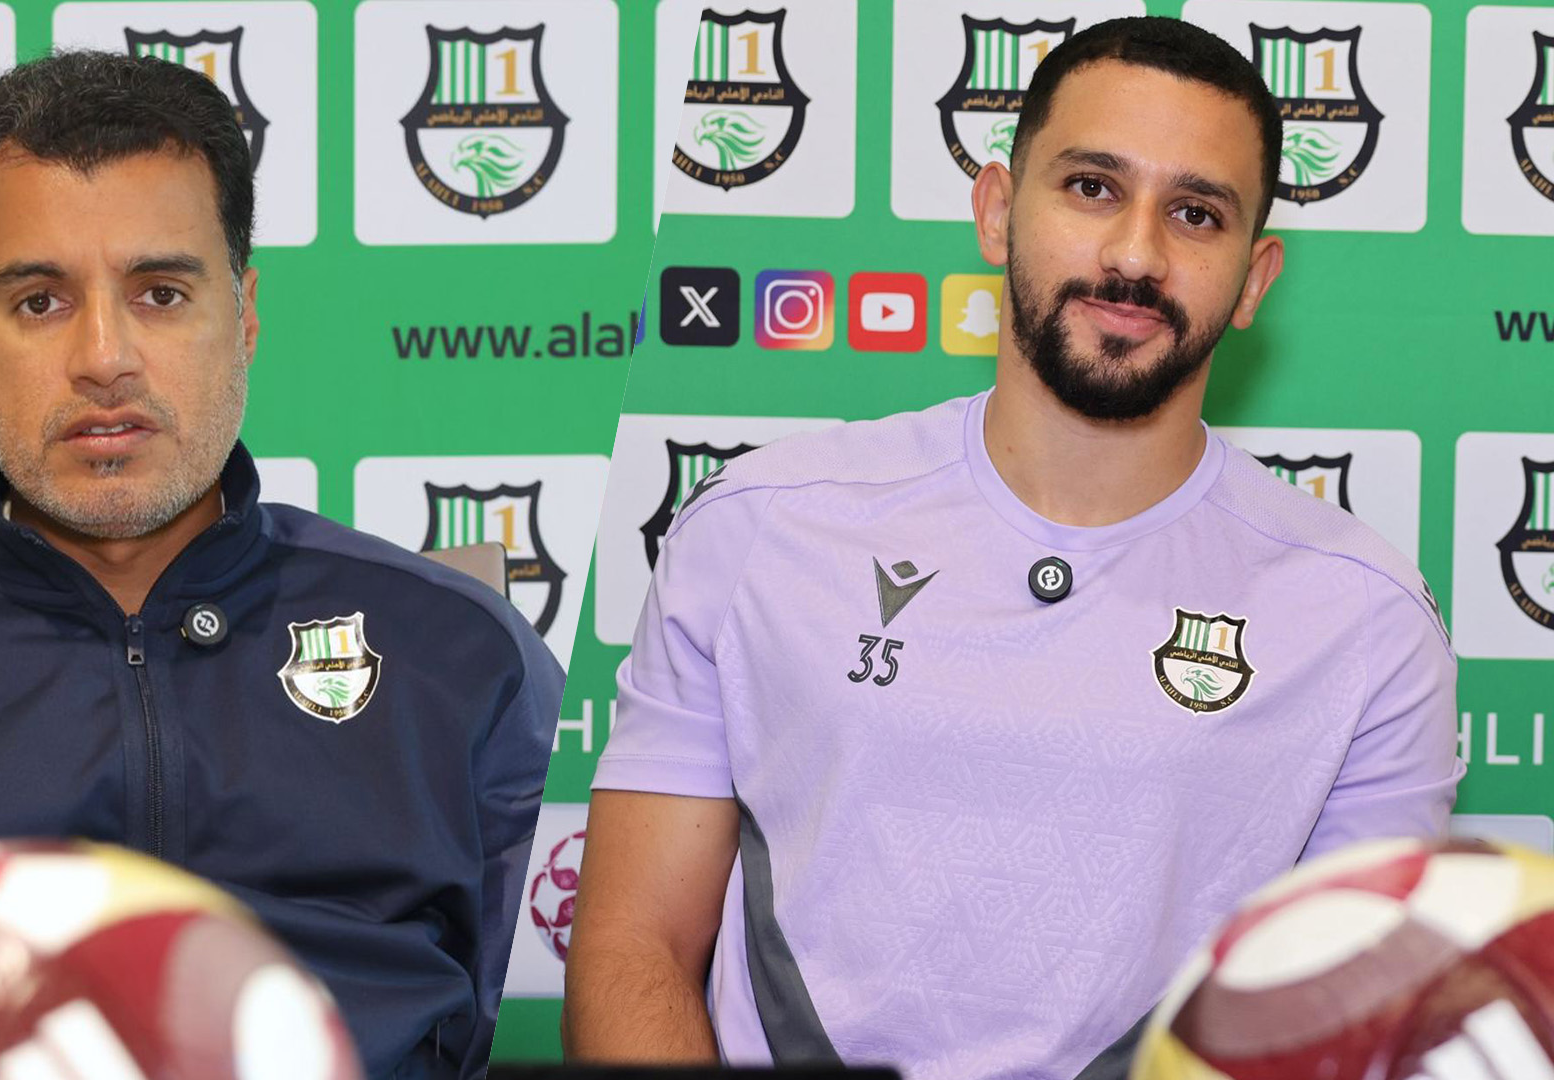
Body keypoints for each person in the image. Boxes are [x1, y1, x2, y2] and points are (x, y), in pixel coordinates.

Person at [562, 17, 1460, 1080]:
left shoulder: (1365, 619)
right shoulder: (761, 524)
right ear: (997, 211)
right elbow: (635, 946)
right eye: (1092, 187)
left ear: (1254, 277)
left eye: (1195, 213)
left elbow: (1347, 1029)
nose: (1136, 254)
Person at [0, 51, 560, 1080]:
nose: (105, 357)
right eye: (40, 301)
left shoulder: (459, 649)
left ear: (245, 315)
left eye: (161, 292)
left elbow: (531, 1005)